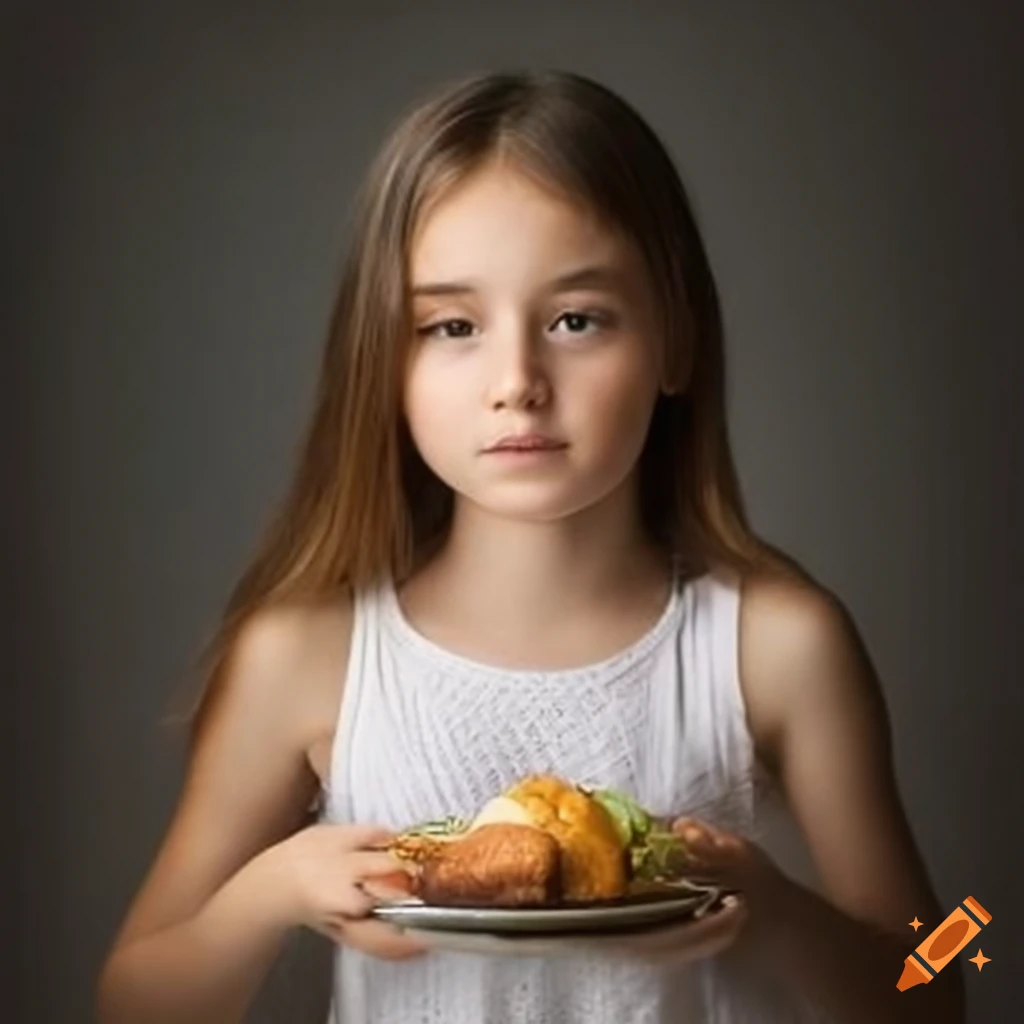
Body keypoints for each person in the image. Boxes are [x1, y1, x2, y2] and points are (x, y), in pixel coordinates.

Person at [96, 69, 964, 1024]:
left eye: (575, 320)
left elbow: (954, 959)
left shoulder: (780, 642)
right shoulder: (305, 653)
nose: (517, 381)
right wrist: (270, 895)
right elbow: (130, 996)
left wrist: (779, 913)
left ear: (674, 339)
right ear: (384, 360)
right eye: (452, 326)